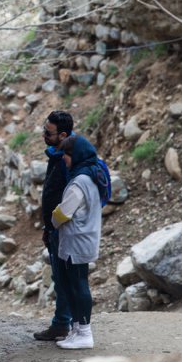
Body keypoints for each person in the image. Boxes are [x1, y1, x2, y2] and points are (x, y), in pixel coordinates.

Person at [51, 135, 102, 349]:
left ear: (77, 155)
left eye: (67, 154)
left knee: (79, 285)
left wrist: (53, 217)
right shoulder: (90, 175)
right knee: (75, 284)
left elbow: (63, 213)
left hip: (77, 242)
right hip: (82, 240)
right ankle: (77, 329)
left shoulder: (79, 182)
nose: (64, 158)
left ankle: (84, 333)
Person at [33, 111, 74, 341]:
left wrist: (55, 225)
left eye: (48, 133)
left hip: (63, 229)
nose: (43, 135)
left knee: (65, 277)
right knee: (59, 277)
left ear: (63, 135)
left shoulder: (68, 158)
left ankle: (64, 324)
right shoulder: (56, 154)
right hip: (54, 227)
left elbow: (70, 197)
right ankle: (63, 323)